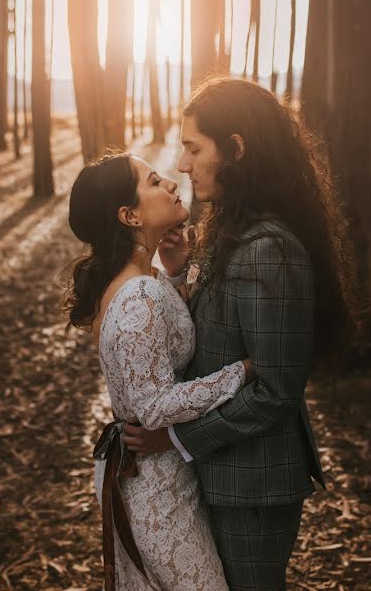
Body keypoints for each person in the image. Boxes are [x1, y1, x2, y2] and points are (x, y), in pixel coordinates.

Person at [121, 77, 354, 590]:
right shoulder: (234, 229)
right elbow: (213, 337)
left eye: (193, 147)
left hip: (254, 484)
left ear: (236, 149)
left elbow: (277, 390)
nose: (182, 165)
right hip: (223, 472)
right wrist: (181, 273)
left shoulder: (268, 248)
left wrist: (174, 438)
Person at [64, 153, 257, 590]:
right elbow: (152, 406)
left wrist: (175, 273)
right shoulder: (138, 295)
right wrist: (241, 372)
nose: (172, 182)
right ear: (129, 215)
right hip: (154, 487)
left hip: (143, 472)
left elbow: (153, 349)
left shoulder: (138, 282)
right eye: (154, 181)